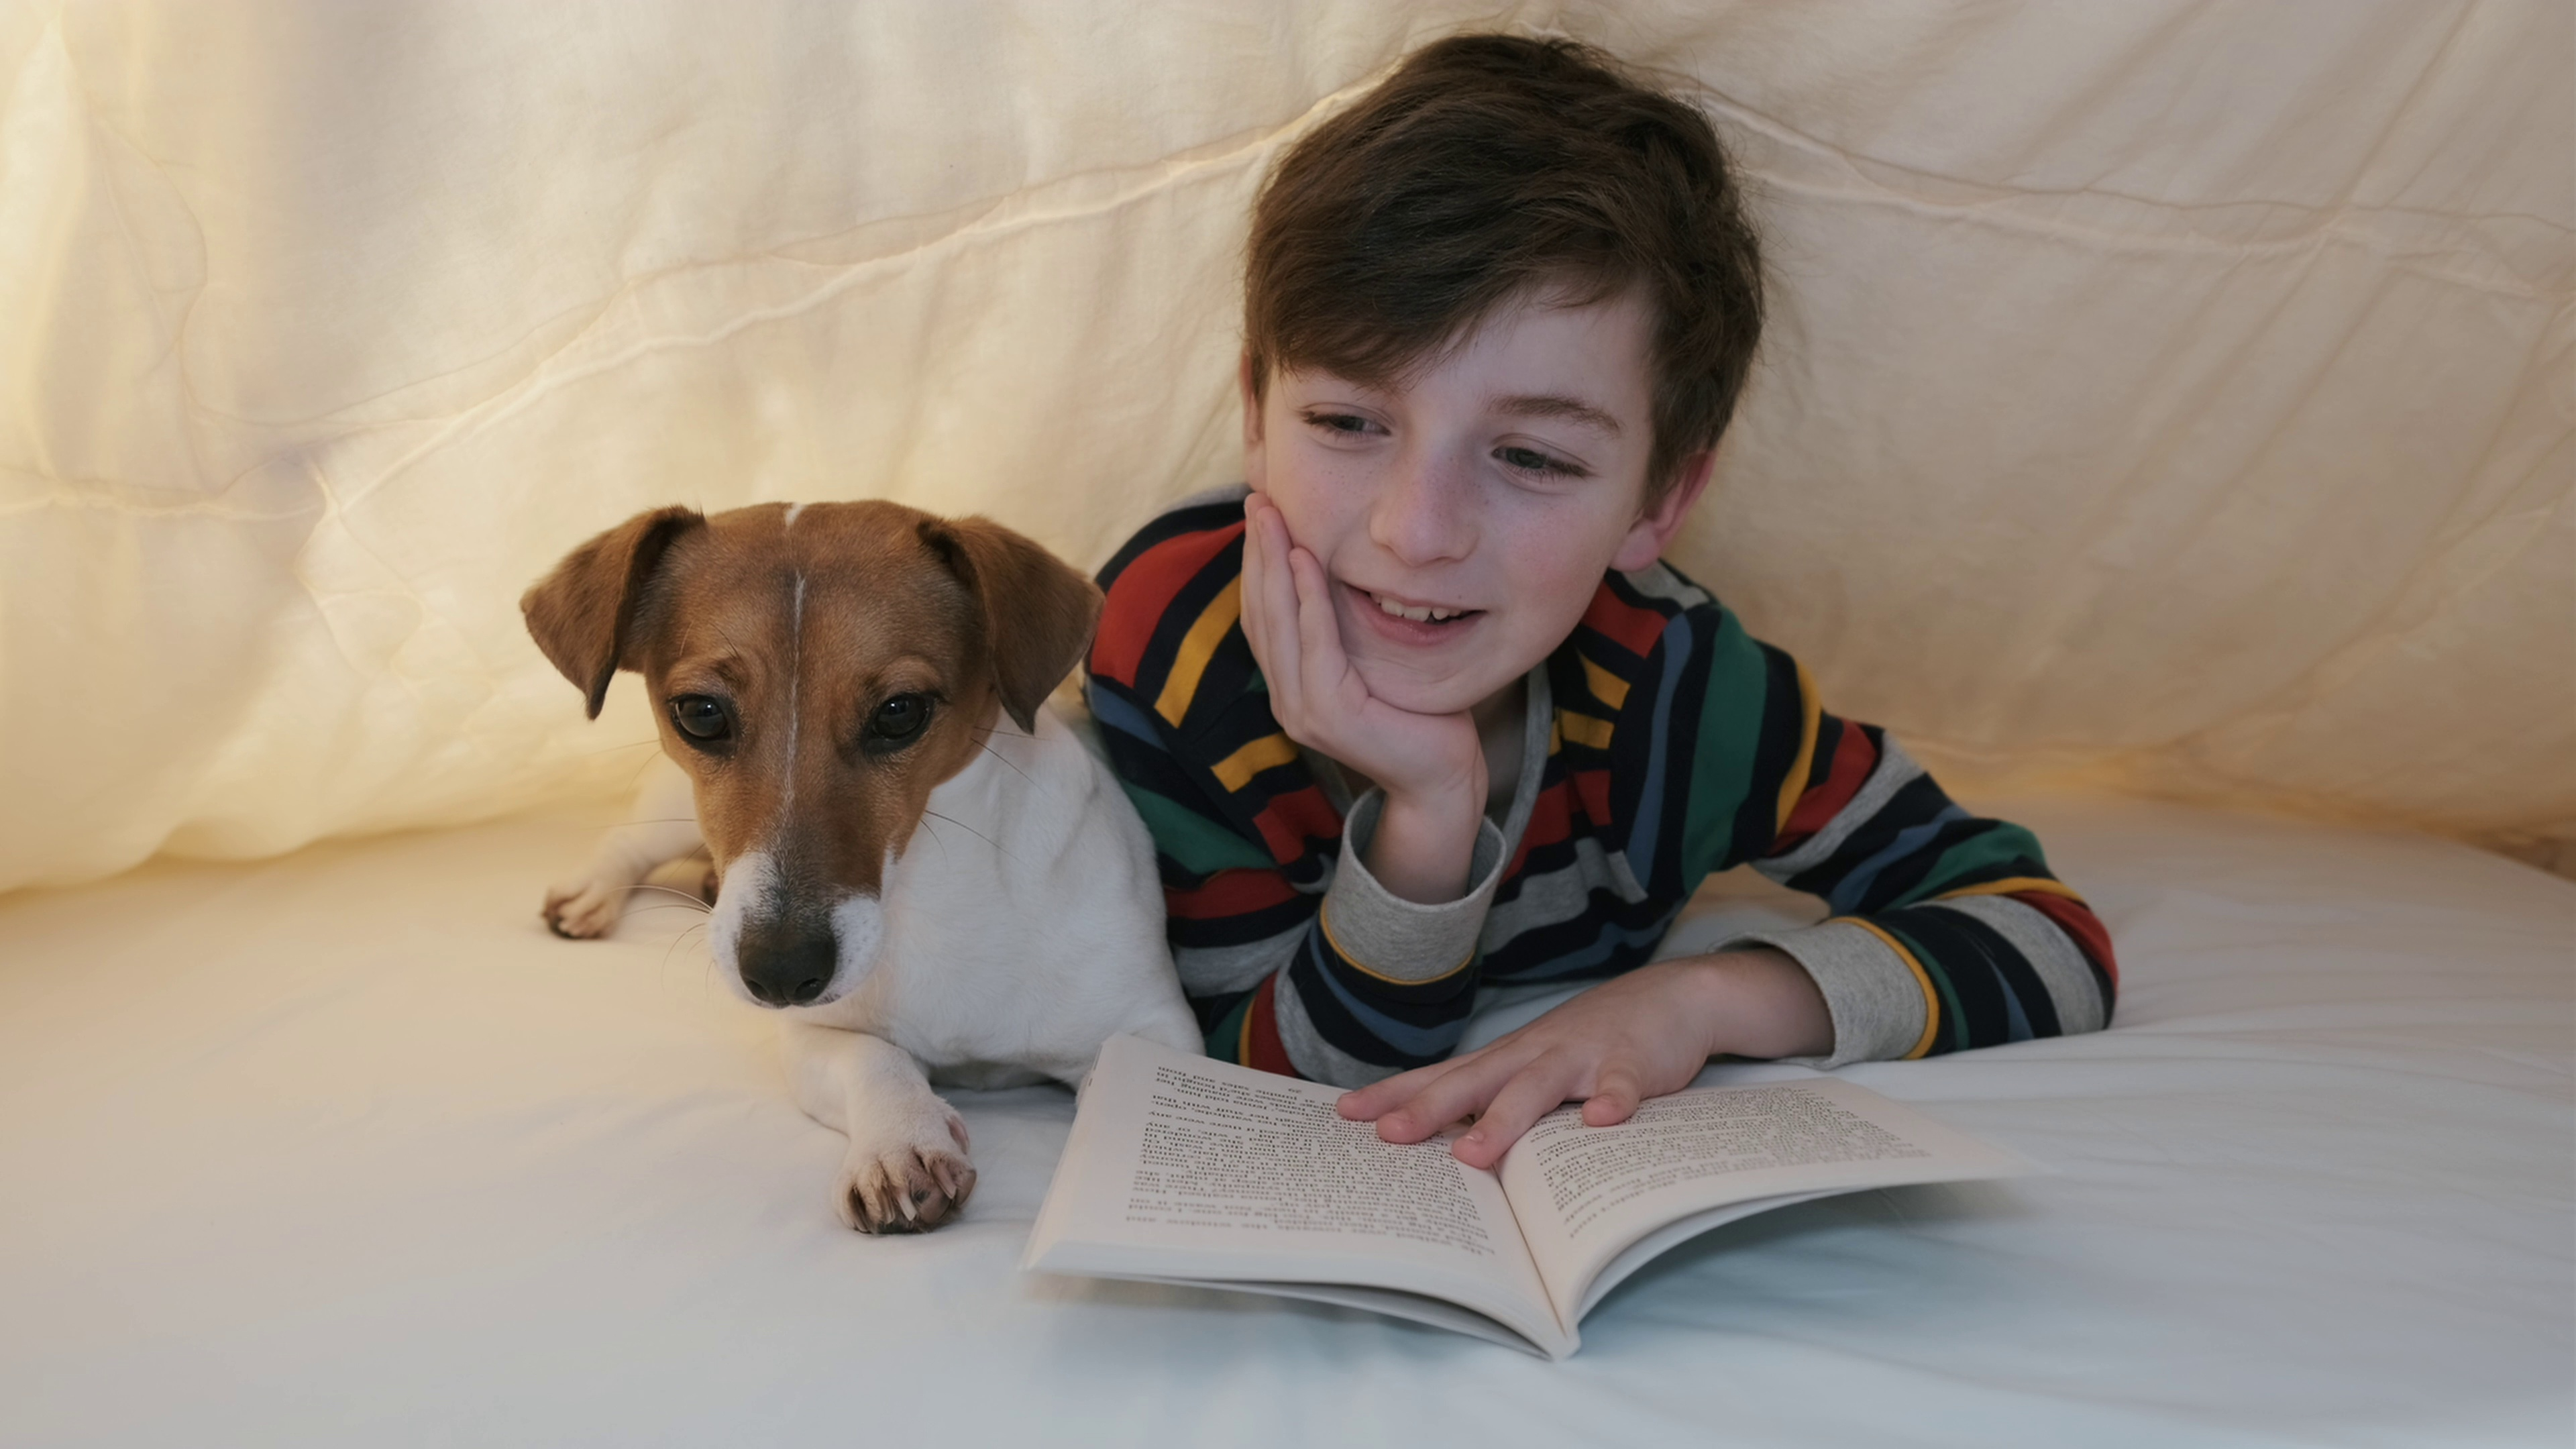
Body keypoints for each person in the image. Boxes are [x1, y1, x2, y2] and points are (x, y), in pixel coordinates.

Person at [1082, 34, 2116, 1170]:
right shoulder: (1173, 638)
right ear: (1256, 410)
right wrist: (1428, 814)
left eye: (1530, 457)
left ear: (1658, 501)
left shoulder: (1682, 691)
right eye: (1345, 423)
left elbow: (2046, 933)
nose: (1415, 533)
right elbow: (1275, 1079)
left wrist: (1700, 1004)